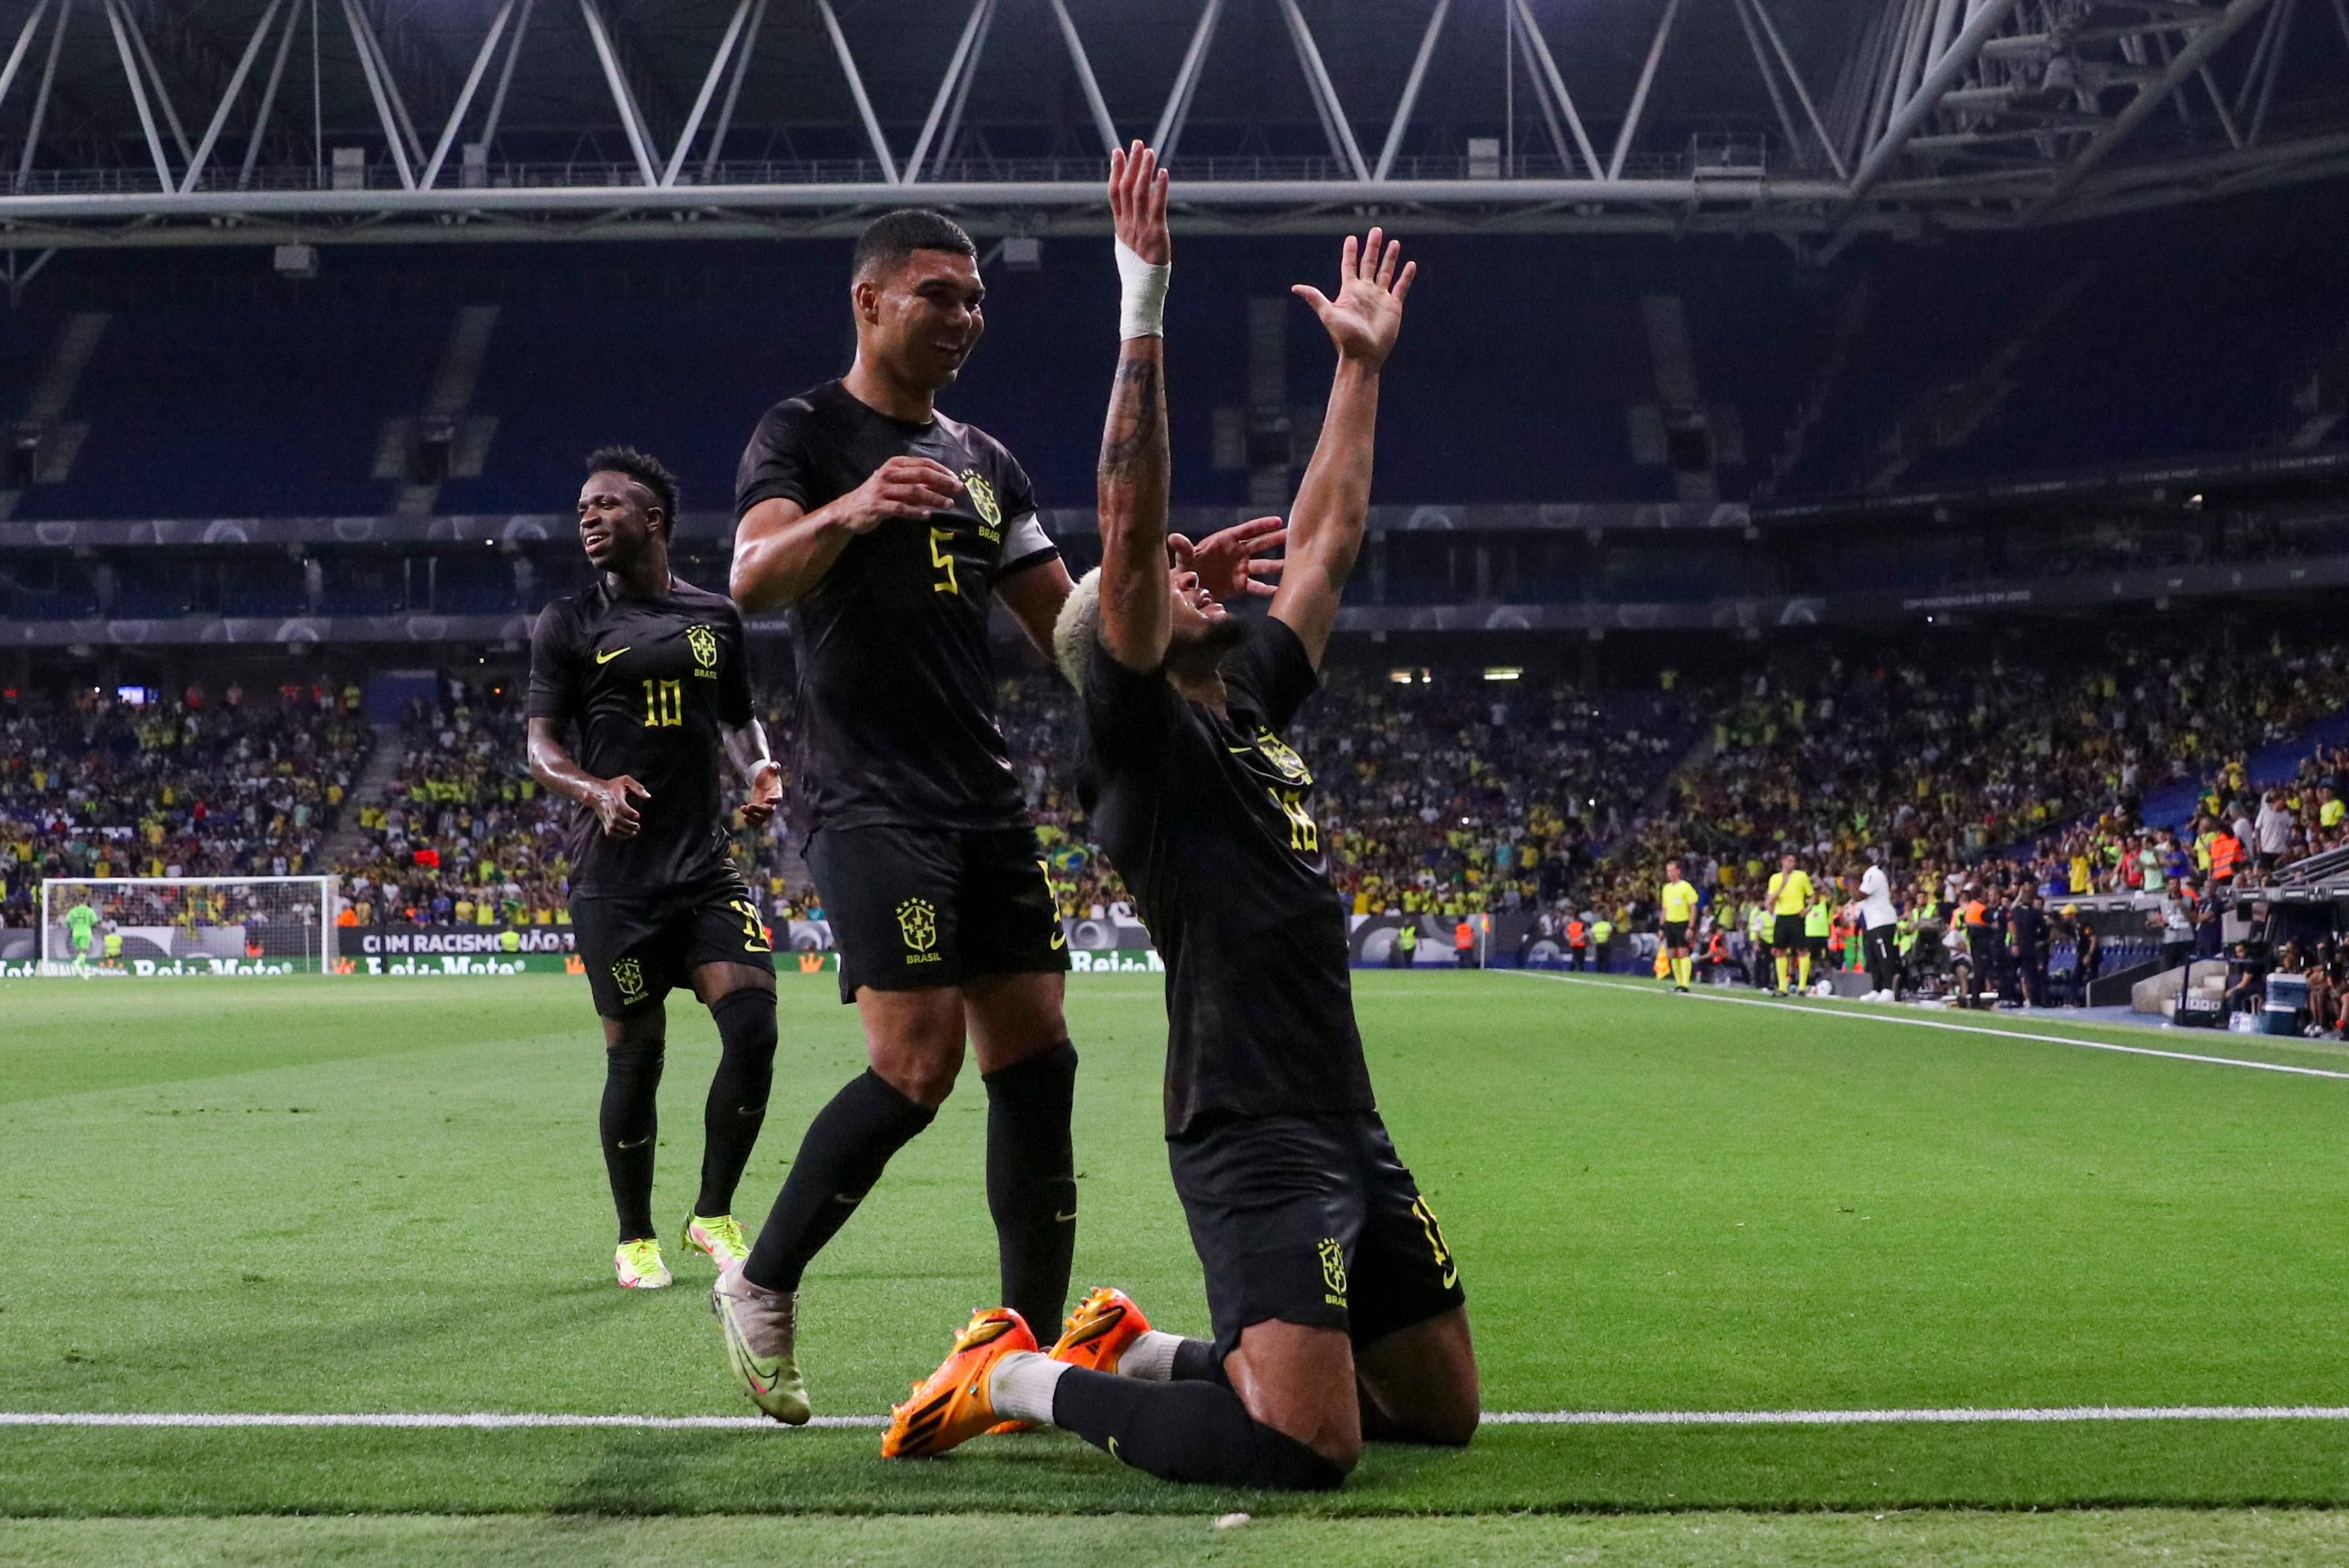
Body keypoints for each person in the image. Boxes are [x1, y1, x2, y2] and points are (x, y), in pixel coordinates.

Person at [879, 153, 1474, 1489]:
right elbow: (1125, 513)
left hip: (1342, 1110)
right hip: (1246, 1119)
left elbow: (1321, 542)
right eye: (1158, 587)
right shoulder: (1137, 731)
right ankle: (1021, 1375)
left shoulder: (1245, 697)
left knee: (1435, 1408)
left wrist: (1360, 368)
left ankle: (1139, 1349)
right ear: (1125, 637)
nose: (1203, 573)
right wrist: (1142, 298)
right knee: (1305, 1445)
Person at [713, 204, 1281, 1422]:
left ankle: (1023, 1353)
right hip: (866, 798)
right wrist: (852, 508)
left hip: (979, 798)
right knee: (915, 1066)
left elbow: (1068, 632)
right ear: (870, 301)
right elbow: (753, 574)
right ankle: (760, 1282)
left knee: (1036, 1058)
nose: (965, 317)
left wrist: (1170, 607)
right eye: (938, 295)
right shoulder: (805, 432)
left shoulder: (987, 461)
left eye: (975, 299)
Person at [525, 448, 782, 1291]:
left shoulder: (716, 617)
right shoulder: (567, 622)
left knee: (752, 1027)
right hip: (615, 878)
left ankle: (713, 1213)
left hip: (704, 867)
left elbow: (738, 718)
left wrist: (761, 770)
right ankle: (635, 1236)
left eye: (606, 504)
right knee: (636, 1057)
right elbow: (539, 747)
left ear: (653, 519)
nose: (589, 517)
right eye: (582, 507)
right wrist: (593, 788)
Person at [1765, 853, 1812, 996]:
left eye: (1794, 861)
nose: (1792, 863)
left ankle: (1802, 986)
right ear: (1783, 861)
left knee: (1802, 950)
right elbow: (1771, 899)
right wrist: (1782, 885)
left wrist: (1808, 908)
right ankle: (1782, 986)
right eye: (1789, 860)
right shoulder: (1775, 878)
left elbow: (1812, 895)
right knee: (1780, 951)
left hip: (1797, 916)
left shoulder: (1801, 876)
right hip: (1782, 916)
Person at [1857, 858, 1900, 1001]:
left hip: (1883, 921)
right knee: (1873, 958)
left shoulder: (1873, 873)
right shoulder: (1866, 876)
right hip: (1873, 922)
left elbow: (1860, 895)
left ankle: (1888, 989)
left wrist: (1850, 881)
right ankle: (1876, 989)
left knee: (1884, 956)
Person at [1658, 859, 1698, 993]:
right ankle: (1679, 983)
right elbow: (1664, 909)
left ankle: (1685, 984)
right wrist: (1661, 927)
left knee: (1683, 952)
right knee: (1673, 953)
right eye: (1668, 871)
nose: (1670, 874)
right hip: (1670, 923)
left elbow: (1693, 908)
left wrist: (1691, 927)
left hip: (1682, 923)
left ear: (1678, 871)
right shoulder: (1666, 889)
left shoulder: (1686, 887)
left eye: (1672, 870)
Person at [63, 898, 98, 965]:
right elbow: (95, 921)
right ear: (86, 902)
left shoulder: (73, 911)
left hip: (76, 932)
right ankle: (77, 962)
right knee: (85, 951)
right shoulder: (89, 911)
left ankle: (82, 968)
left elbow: (67, 921)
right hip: (85, 932)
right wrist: (89, 924)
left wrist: (72, 926)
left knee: (79, 951)